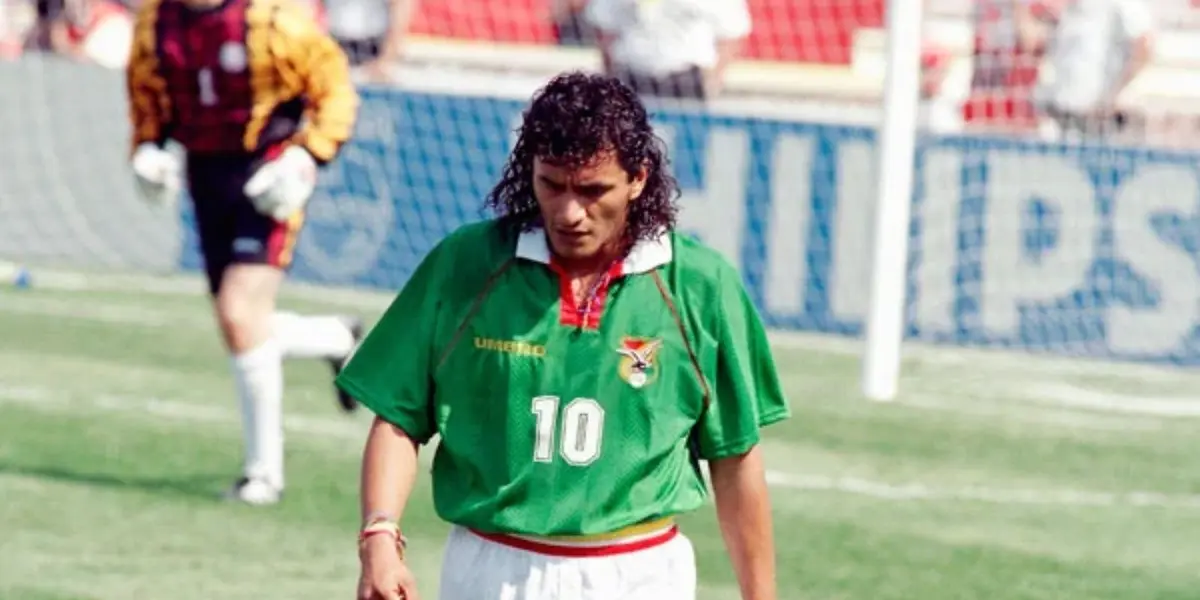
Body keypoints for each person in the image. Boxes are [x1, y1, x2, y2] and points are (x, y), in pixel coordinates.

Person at [338, 72, 790, 600]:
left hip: (640, 574)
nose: (569, 211)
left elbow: (735, 459)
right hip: (490, 569)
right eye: (551, 184)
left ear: (638, 179)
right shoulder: (466, 265)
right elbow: (397, 415)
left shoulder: (700, 284)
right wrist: (379, 533)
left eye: (593, 189)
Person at [125, 0, 363, 505]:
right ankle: (338, 336)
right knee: (240, 324)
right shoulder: (155, 22)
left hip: (268, 177)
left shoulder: (275, 18)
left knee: (239, 315)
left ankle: (264, 476)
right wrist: (148, 147)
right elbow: (149, 99)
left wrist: (306, 155)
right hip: (206, 180)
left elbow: (335, 91)